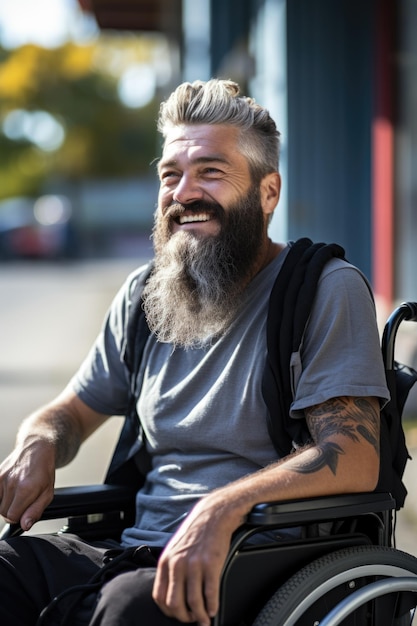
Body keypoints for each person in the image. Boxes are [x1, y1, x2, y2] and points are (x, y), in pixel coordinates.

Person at [0, 79, 389, 626]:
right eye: (170, 175)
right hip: (132, 552)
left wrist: (223, 506)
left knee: (130, 610)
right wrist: (38, 441)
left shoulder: (323, 287)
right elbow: (69, 411)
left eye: (210, 171)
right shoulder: (145, 294)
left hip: (255, 559)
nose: (183, 193)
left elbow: (353, 453)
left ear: (267, 192)